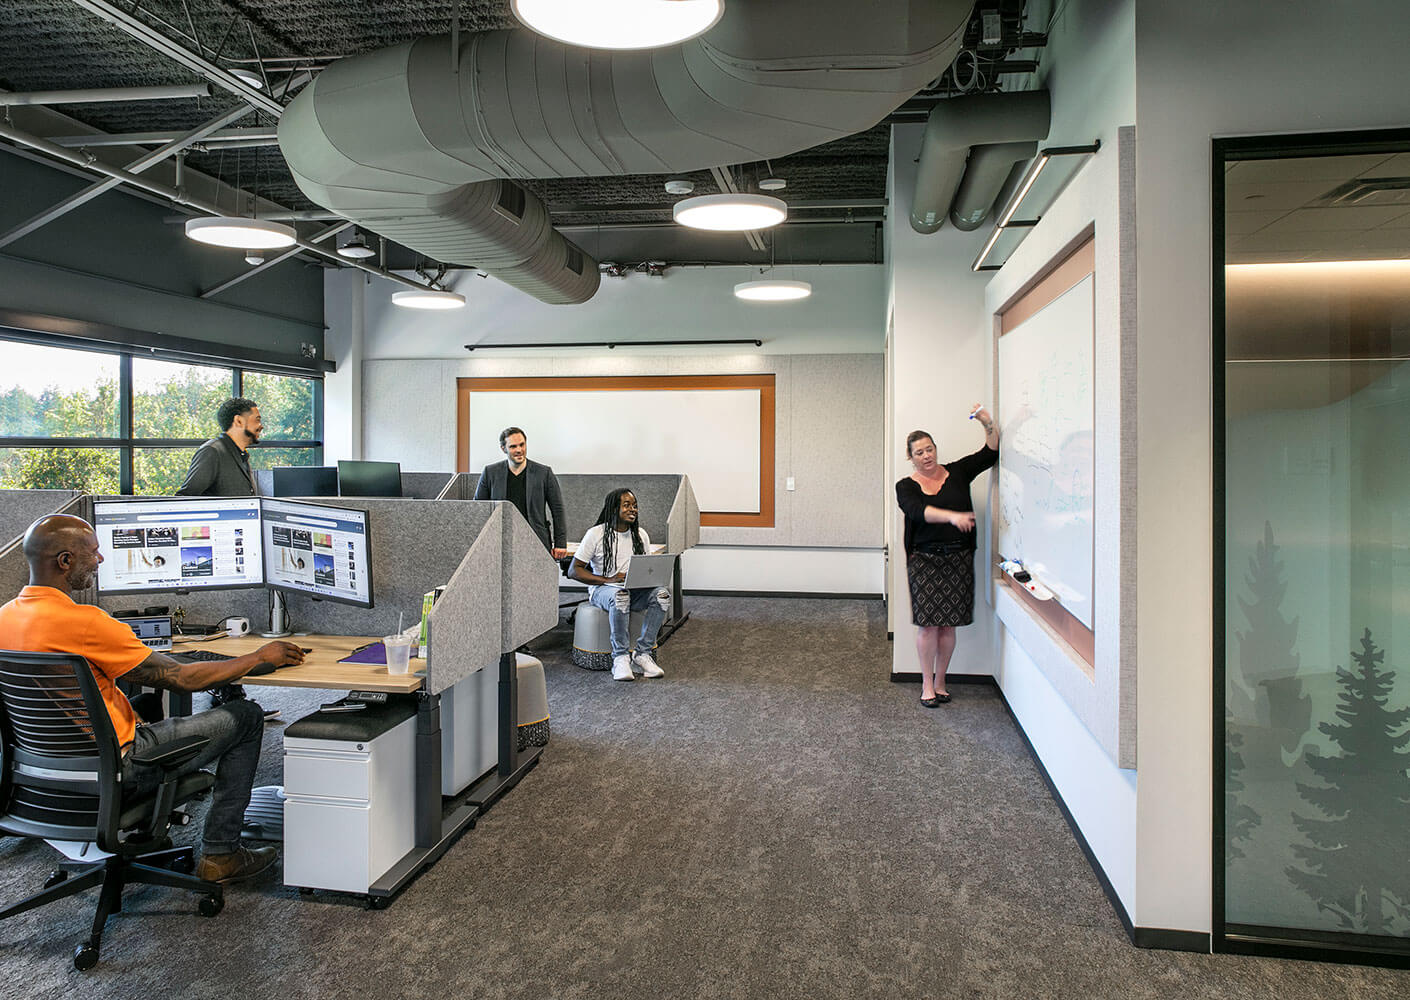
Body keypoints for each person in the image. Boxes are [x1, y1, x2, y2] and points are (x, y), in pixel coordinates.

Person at [0, 514, 305, 883]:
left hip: (39, 775)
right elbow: (179, 678)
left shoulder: (5, 619)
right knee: (246, 715)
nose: (99, 561)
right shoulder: (86, 623)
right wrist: (258, 657)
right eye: (92, 553)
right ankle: (221, 854)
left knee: (140, 706)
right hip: (119, 768)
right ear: (64, 562)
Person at [895, 405, 1000, 708]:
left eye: (929, 449)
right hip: (924, 561)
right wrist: (952, 517)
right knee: (928, 625)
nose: (926, 456)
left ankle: (942, 680)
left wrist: (986, 422)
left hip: (958, 560)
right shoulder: (906, 486)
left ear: (935, 449)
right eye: (919, 453)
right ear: (911, 458)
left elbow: (989, 453)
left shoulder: (957, 473)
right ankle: (926, 683)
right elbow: (917, 512)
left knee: (948, 624)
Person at [569, 488, 670, 682]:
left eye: (635, 506)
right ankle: (620, 658)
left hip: (634, 589)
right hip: (603, 590)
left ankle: (642, 654)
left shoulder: (640, 535)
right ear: (614, 508)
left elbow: (646, 568)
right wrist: (608, 579)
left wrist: (649, 581)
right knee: (620, 595)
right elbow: (575, 570)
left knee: (662, 595)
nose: (632, 509)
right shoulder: (596, 534)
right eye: (627, 505)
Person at [473, 426, 568, 559]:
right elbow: (478, 509)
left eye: (522, 445)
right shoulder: (490, 473)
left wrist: (561, 543)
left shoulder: (544, 473)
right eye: (513, 446)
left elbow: (557, 510)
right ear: (503, 448)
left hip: (536, 541)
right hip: (500, 541)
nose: (519, 450)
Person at [176, 397, 262, 497]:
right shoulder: (212, 451)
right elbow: (185, 498)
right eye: (257, 420)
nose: (261, 426)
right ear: (238, 421)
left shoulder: (241, 455)